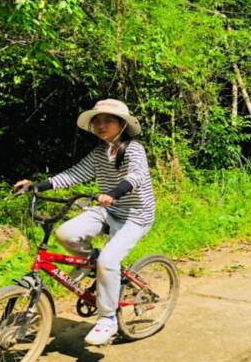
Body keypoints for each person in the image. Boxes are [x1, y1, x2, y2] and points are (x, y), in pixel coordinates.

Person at [13, 98, 155, 346]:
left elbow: (136, 176)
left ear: (122, 124)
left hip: (135, 215)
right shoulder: (99, 153)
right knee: (66, 234)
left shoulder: (133, 149)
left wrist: (114, 193)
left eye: (108, 120)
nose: (101, 125)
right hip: (107, 209)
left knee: (109, 262)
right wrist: (36, 186)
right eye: (97, 121)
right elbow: (74, 174)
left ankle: (108, 319)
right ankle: (92, 262)